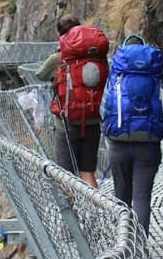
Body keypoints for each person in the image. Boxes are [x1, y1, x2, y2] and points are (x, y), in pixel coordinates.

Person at [99, 35, 163, 236]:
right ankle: (139, 251)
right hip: (149, 144)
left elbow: (104, 108)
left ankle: (120, 244)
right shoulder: (155, 76)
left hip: (119, 144)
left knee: (121, 197)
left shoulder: (117, 75)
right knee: (142, 197)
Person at [35, 15, 109, 188]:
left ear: (60, 34)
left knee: (65, 175)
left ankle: (72, 213)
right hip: (93, 119)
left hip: (66, 123)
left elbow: (40, 74)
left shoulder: (59, 58)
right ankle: (94, 211)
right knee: (87, 172)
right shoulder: (97, 56)